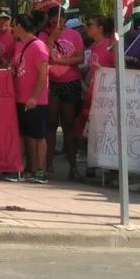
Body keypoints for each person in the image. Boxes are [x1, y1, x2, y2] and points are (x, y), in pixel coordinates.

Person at [11, 13, 50, 184]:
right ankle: (30, 169)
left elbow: (44, 74)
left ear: (19, 25)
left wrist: (35, 96)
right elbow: (16, 65)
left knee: (38, 136)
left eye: (14, 24)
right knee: (26, 135)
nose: (12, 28)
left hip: (36, 100)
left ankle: (42, 170)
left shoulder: (38, 46)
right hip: (20, 97)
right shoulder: (19, 45)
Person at [46, 13, 86, 178]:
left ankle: (73, 167)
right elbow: (45, 56)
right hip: (53, 82)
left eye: (60, 21)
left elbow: (80, 58)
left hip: (70, 82)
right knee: (51, 124)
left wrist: (61, 61)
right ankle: (48, 165)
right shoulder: (44, 36)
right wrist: (52, 38)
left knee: (69, 125)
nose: (58, 24)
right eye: (54, 21)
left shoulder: (74, 35)